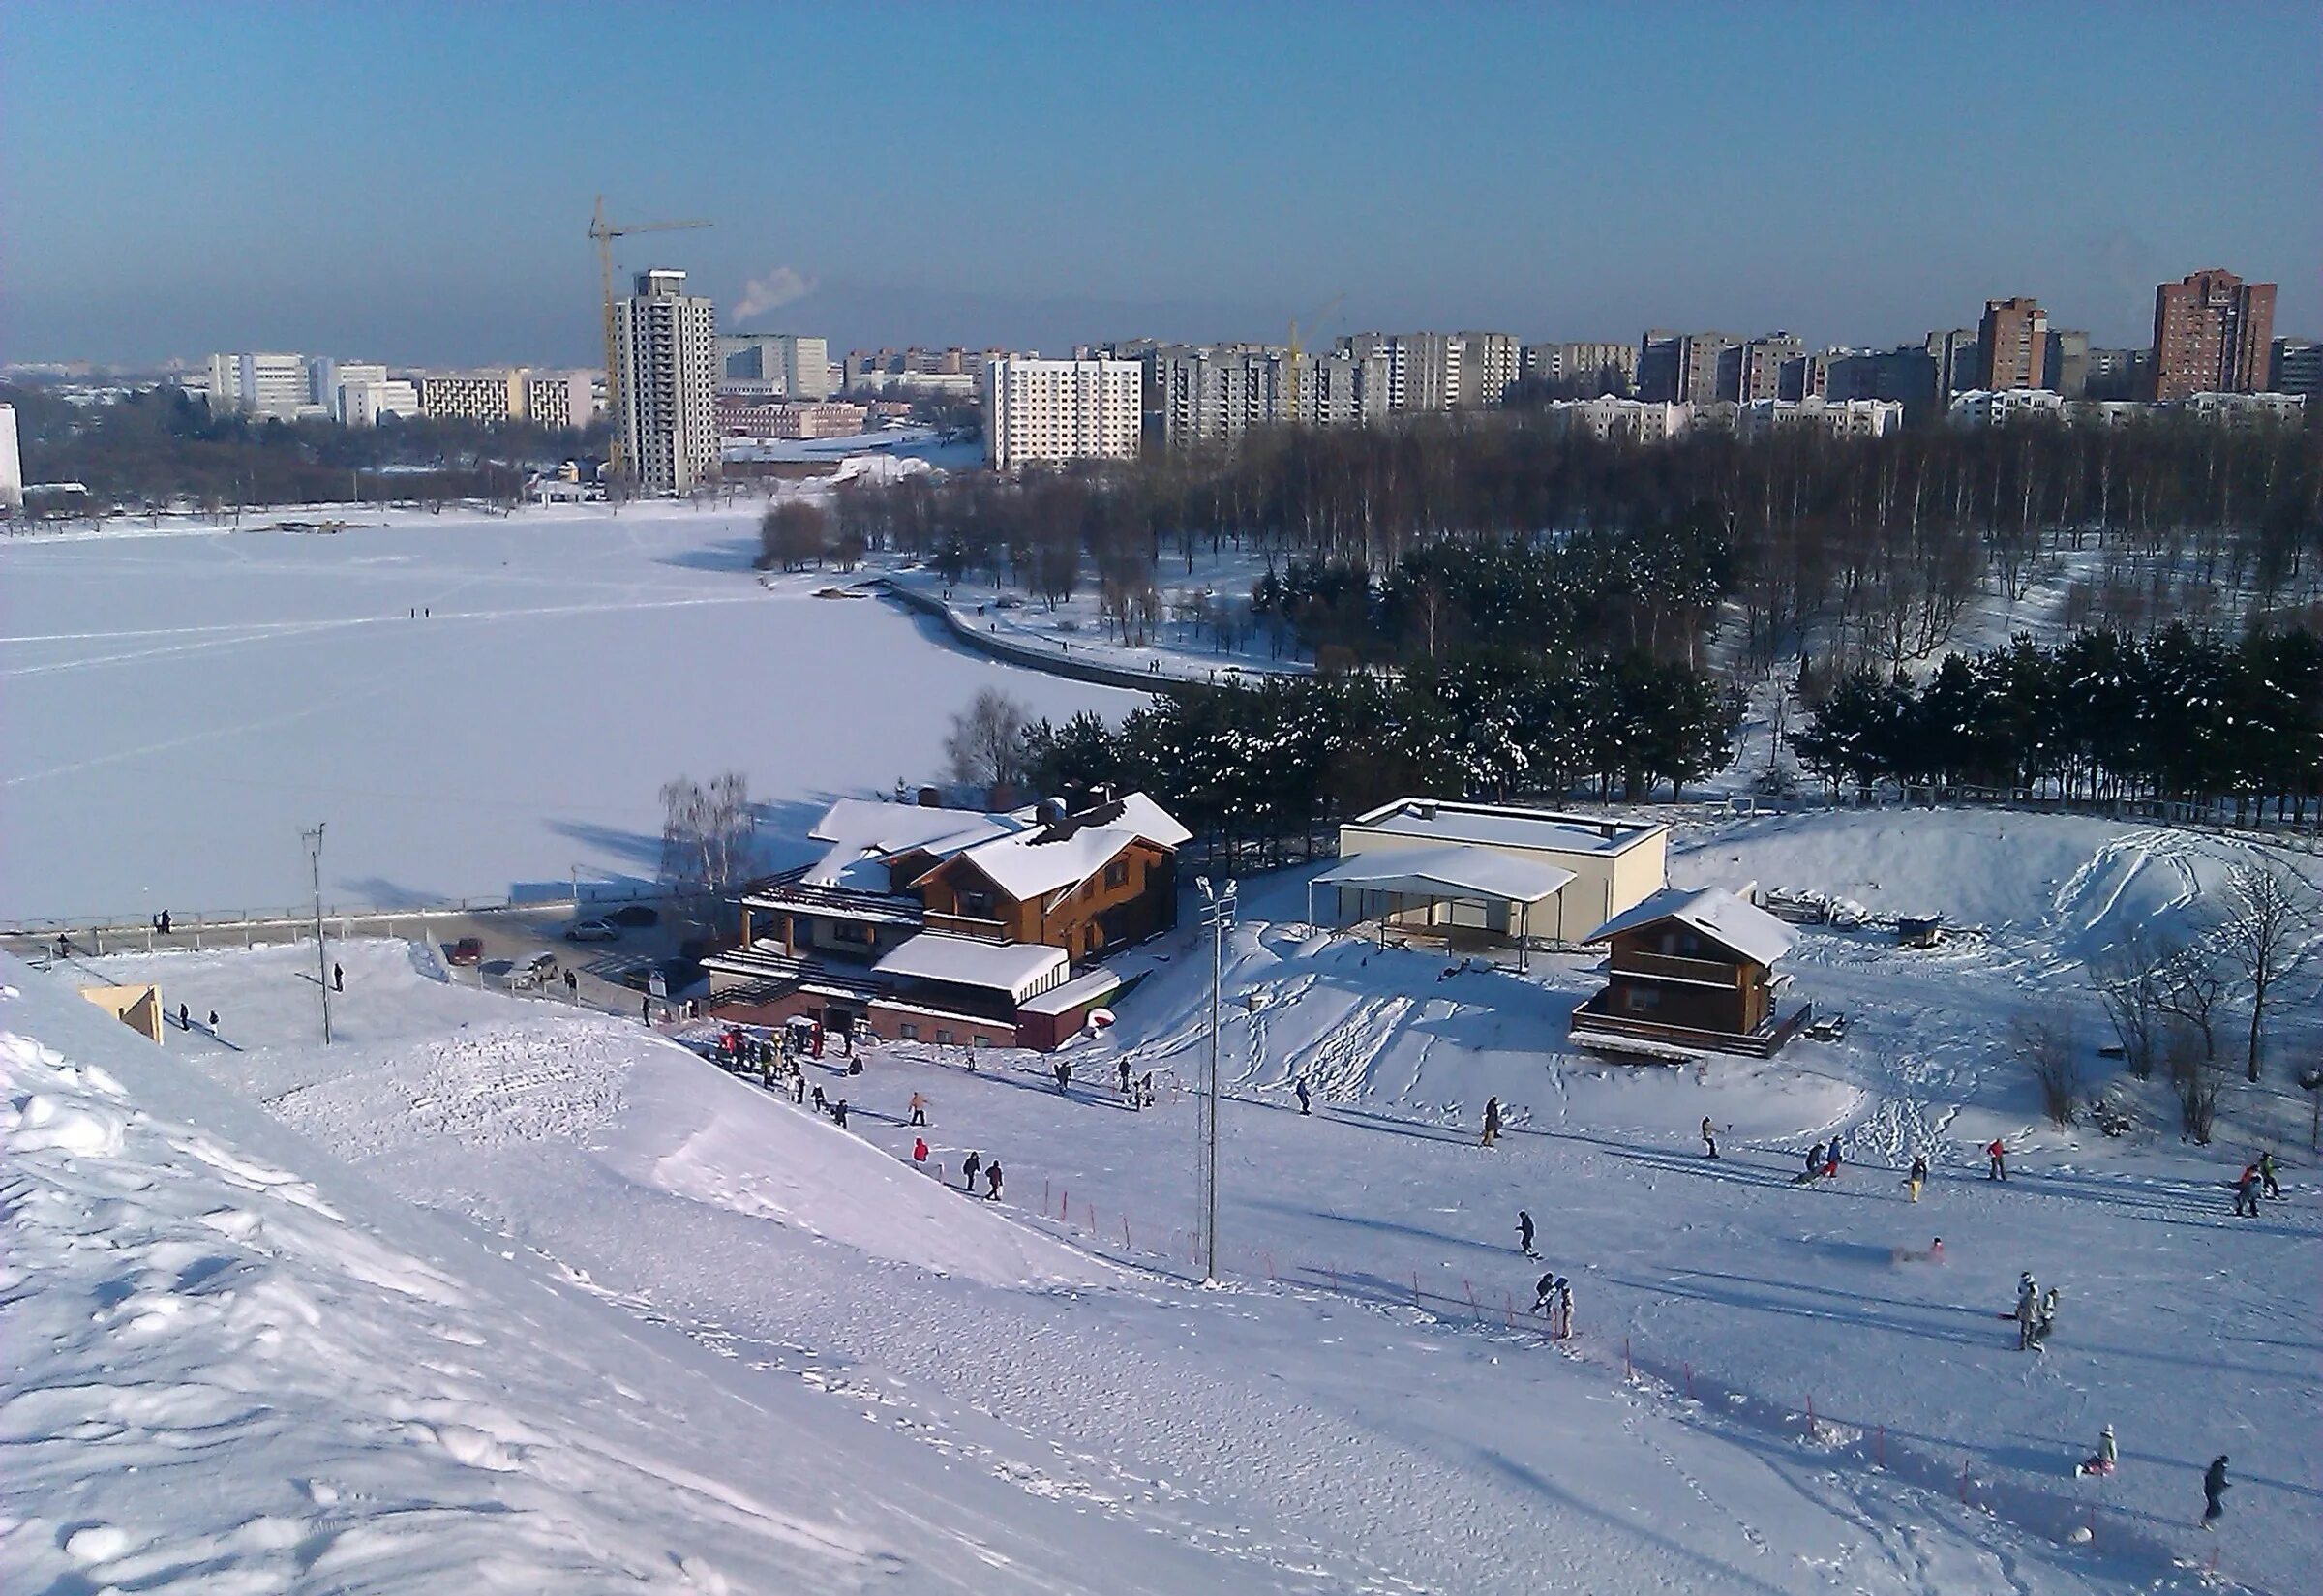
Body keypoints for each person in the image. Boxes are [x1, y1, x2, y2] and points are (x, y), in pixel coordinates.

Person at [2202, 1456, 2229, 1527]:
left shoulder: (2218, 1468)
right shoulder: (2217, 1469)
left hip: (2213, 1491)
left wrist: (2224, 1484)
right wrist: (2222, 1484)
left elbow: (2217, 1479)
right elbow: (2215, 1480)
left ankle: (2206, 1520)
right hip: (2212, 1491)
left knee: (2214, 1507)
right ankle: (2205, 1521)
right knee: (2217, 1509)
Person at [2015, 1273, 2039, 1350]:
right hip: (2031, 1313)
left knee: (2027, 1329)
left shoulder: (2032, 1285)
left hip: (2028, 1312)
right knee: (2029, 1329)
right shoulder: (2023, 1283)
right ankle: (2027, 1342)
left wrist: (2018, 1313)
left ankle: (2026, 1343)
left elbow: (2020, 1306)